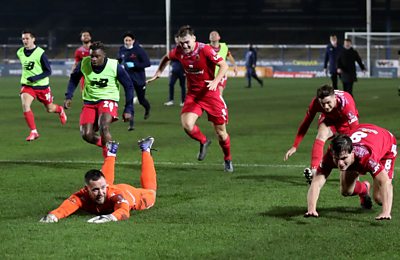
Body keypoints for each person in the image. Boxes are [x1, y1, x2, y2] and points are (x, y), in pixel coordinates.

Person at [147, 25, 233, 172]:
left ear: (194, 38)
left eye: (187, 42)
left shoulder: (204, 49)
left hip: (211, 95)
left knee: (221, 133)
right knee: (187, 124)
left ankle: (227, 159)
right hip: (193, 95)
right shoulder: (179, 52)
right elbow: (166, 57)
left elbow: (224, 65)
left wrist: (215, 81)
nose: (184, 45)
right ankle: (204, 141)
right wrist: (158, 72)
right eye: (181, 43)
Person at [39, 137, 158, 223]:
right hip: (110, 187)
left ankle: (146, 149)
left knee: (151, 192)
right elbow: (65, 208)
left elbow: (124, 212)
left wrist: (109, 218)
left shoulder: (116, 195)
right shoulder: (82, 196)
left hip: (132, 194)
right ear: (87, 189)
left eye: (102, 188)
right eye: (95, 190)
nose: (101, 192)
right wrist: (53, 216)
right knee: (104, 183)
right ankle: (111, 153)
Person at [305, 124, 397, 220]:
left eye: (344, 158)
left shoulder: (366, 157)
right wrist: (311, 209)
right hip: (364, 133)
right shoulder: (331, 154)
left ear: (352, 153)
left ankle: (382, 201)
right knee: (346, 191)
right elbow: (316, 182)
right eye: (336, 159)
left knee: (379, 198)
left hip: (387, 142)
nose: (340, 163)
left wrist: (386, 212)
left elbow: (385, 181)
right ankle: (364, 189)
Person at [64, 41, 133, 157]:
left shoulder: (114, 66)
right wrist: (69, 96)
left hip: (108, 99)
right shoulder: (84, 63)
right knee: (87, 135)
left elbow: (128, 86)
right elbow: (74, 78)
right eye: (92, 56)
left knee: (103, 126)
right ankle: (109, 146)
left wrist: (128, 108)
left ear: (104, 55)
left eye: (97, 56)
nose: (94, 59)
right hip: (89, 103)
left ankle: (109, 160)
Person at [284, 85, 359, 182]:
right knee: (321, 134)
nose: (326, 107)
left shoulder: (346, 105)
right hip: (329, 120)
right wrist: (295, 145)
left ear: (334, 97)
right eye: (323, 104)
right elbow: (306, 123)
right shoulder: (315, 103)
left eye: (328, 103)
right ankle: (315, 173)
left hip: (345, 124)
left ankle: (354, 169)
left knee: (345, 147)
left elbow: (356, 132)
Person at [17, 30, 67, 141]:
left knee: (50, 109)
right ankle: (34, 131)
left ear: (33, 39)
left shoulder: (40, 53)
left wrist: (35, 78)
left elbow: (48, 71)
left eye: (27, 38)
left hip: (42, 87)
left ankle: (60, 110)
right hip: (28, 86)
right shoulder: (20, 52)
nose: (25, 41)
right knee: (25, 105)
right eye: (23, 39)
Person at [117, 32, 151, 130]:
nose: (127, 42)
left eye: (129, 40)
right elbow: (119, 60)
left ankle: (147, 108)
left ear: (133, 41)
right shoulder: (121, 49)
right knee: (129, 100)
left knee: (141, 100)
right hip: (128, 80)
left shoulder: (139, 50)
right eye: (125, 40)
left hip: (139, 79)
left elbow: (147, 63)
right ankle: (131, 124)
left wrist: (135, 65)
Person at [208, 30, 238, 95]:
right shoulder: (205, 48)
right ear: (209, 38)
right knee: (209, 95)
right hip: (209, 75)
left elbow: (229, 56)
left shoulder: (224, 47)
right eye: (211, 34)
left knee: (219, 93)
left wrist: (235, 66)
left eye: (215, 34)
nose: (213, 35)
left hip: (221, 74)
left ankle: (220, 104)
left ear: (219, 37)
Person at [164, 35, 186, 107]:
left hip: (182, 70)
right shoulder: (174, 48)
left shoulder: (184, 48)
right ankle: (171, 100)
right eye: (176, 39)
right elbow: (171, 58)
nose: (177, 40)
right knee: (171, 84)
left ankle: (183, 101)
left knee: (182, 86)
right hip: (174, 70)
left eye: (178, 39)